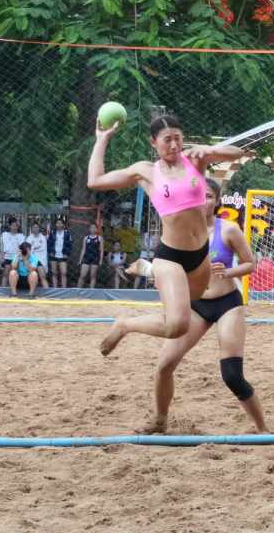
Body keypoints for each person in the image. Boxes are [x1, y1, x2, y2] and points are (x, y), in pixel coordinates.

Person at [88, 113, 246, 355]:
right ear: (154, 142)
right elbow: (95, 180)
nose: (173, 145)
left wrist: (210, 149)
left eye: (177, 138)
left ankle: (149, 269)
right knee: (177, 325)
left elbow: (238, 152)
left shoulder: (195, 160)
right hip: (172, 255)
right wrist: (102, 140)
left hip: (201, 254)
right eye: (166, 140)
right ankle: (125, 324)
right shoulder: (147, 171)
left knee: (196, 301)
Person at [143, 179, 267, 434]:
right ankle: (160, 421)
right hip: (196, 304)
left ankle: (263, 428)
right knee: (165, 365)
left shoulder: (228, 230)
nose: (203, 201)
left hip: (226, 304)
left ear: (217, 201)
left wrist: (229, 271)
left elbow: (251, 264)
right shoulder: (179, 233)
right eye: (198, 196)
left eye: (209, 196)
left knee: (232, 376)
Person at [75, 222, 104, 289]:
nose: (92, 229)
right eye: (91, 227)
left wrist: (101, 260)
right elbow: (83, 249)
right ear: (89, 229)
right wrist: (80, 260)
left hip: (95, 258)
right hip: (86, 258)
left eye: (94, 228)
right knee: (82, 275)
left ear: (97, 229)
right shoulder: (86, 238)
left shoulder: (99, 238)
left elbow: (101, 250)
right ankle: (78, 290)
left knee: (93, 276)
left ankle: (91, 291)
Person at [0, 218, 25, 286]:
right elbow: (1, 247)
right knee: (5, 274)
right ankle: (2, 290)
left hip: (17, 257)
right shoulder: (4, 235)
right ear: (9, 226)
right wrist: (1, 257)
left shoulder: (21, 236)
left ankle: (14, 290)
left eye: (16, 225)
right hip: (7, 257)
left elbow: (22, 249)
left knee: (14, 275)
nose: (14, 227)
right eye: (13, 225)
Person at [49, 216, 72, 287]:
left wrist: (67, 253)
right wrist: (50, 252)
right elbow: (49, 243)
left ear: (63, 225)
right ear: (55, 225)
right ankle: (55, 289)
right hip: (54, 255)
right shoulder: (52, 232)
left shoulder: (67, 233)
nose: (59, 225)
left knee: (64, 272)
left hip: (63, 255)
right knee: (54, 273)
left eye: (60, 223)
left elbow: (70, 245)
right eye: (57, 223)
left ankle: (64, 289)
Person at [26, 222, 50, 287]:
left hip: (42, 261)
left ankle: (47, 293)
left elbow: (48, 231)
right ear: (31, 228)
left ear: (39, 228)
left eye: (37, 227)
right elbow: (27, 251)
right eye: (34, 227)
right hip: (32, 261)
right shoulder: (29, 238)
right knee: (32, 278)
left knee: (43, 277)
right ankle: (32, 293)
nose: (35, 229)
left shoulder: (44, 237)